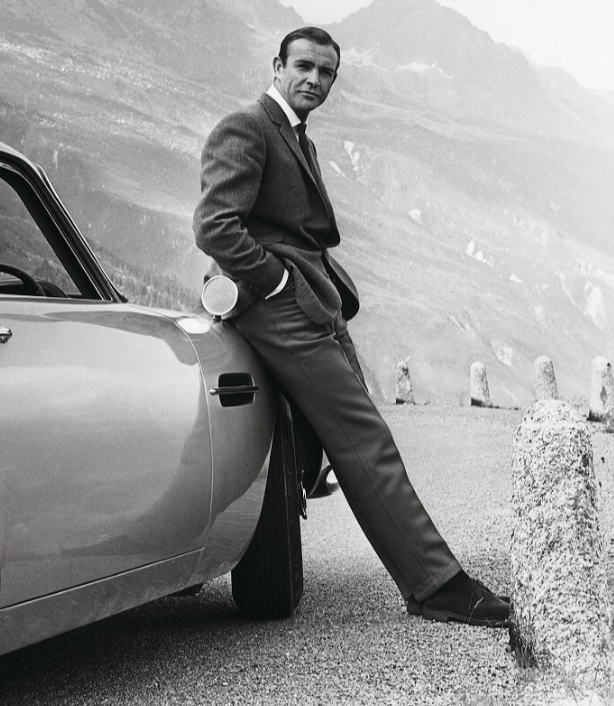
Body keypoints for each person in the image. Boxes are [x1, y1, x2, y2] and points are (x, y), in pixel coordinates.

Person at [193, 27, 510, 627]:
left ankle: (408, 569)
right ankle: (436, 585)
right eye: (304, 67)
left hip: (313, 300)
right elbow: (214, 225)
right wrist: (275, 283)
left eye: (326, 73)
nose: (315, 80)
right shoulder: (248, 127)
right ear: (278, 66)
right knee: (364, 439)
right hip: (279, 306)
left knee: (355, 431)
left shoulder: (296, 135)